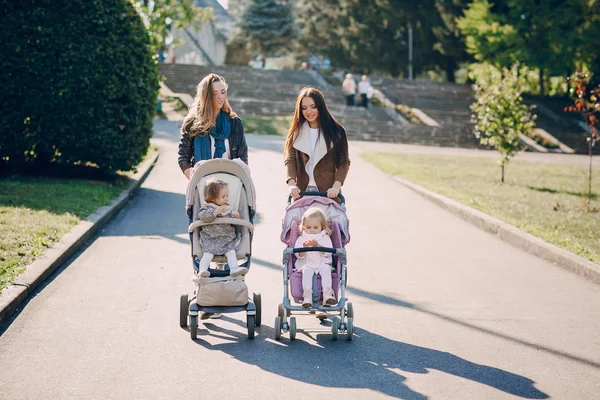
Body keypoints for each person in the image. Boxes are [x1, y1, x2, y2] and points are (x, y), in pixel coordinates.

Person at [284, 87, 350, 202]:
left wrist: (336, 186)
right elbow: (290, 160)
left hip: (328, 193)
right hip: (302, 193)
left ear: (321, 106)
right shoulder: (296, 133)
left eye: (313, 107)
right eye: (304, 108)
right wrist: (291, 184)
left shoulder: (337, 132)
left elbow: (343, 161)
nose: (309, 112)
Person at [178, 73, 249, 180]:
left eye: (222, 92)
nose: (220, 97)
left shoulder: (235, 123)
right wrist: (194, 180)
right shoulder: (192, 124)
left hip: (229, 185)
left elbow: (243, 158)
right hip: (202, 184)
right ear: (206, 96)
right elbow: (183, 157)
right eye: (215, 93)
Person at [197, 178, 248, 278]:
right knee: (207, 255)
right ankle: (202, 271)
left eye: (227, 196)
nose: (226, 199)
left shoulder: (227, 209)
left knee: (231, 252)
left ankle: (233, 269)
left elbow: (232, 224)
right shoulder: (207, 208)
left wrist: (235, 217)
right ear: (212, 197)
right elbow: (202, 216)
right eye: (223, 196)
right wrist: (215, 212)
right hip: (211, 239)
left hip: (226, 240)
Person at [294, 207, 336, 307]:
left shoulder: (324, 237)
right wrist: (303, 249)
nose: (312, 230)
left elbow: (329, 252)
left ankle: (327, 294)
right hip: (307, 263)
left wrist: (318, 246)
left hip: (322, 262)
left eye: (315, 227)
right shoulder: (301, 238)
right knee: (307, 272)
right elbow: (297, 254)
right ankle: (307, 296)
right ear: (303, 226)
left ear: (322, 226)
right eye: (308, 227)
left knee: (326, 271)